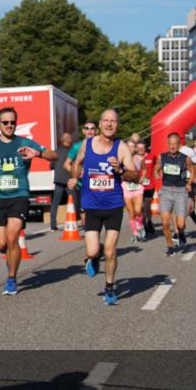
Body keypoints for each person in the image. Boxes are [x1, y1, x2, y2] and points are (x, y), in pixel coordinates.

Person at [0, 107, 57, 294]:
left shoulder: (25, 142)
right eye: (5, 122)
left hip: (18, 195)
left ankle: (11, 279)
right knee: (1, 244)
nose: (9, 125)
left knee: (13, 238)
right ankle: (11, 260)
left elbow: (54, 155)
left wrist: (37, 154)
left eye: (13, 122)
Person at [70, 109, 140, 305]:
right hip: (91, 206)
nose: (109, 124)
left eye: (113, 121)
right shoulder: (87, 143)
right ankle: (92, 258)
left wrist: (120, 170)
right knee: (93, 251)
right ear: (100, 124)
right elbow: (77, 162)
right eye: (106, 121)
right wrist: (74, 178)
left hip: (113, 206)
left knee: (110, 251)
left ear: (117, 125)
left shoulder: (122, 148)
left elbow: (135, 175)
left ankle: (109, 288)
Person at [154, 132, 195, 256]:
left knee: (180, 224)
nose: (172, 146)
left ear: (179, 145)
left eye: (175, 144)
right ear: (168, 144)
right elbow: (156, 168)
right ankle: (170, 246)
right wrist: (156, 173)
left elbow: (193, 171)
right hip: (166, 191)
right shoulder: (162, 157)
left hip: (180, 191)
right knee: (165, 222)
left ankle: (181, 233)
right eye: (170, 144)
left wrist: (189, 183)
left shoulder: (185, 158)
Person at [64, 121, 97, 221]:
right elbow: (66, 164)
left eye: (92, 128)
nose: (89, 131)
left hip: (97, 183)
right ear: (83, 131)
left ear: (96, 131)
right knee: (84, 210)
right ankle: (88, 232)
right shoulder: (77, 147)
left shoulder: (100, 146)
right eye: (87, 128)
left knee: (96, 211)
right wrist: (77, 174)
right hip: (82, 184)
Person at [122, 139, 145, 242]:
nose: (130, 148)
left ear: (135, 148)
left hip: (137, 187)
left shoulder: (139, 159)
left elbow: (144, 169)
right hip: (126, 187)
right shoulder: (121, 158)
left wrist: (142, 178)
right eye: (128, 146)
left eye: (132, 146)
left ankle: (140, 225)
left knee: (138, 210)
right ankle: (135, 233)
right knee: (131, 212)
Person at [50, 132, 74, 232]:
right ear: (68, 140)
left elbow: (51, 166)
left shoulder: (56, 151)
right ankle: (74, 221)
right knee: (73, 201)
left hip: (58, 179)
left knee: (55, 202)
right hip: (69, 179)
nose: (71, 139)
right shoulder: (72, 151)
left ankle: (53, 225)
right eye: (70, 137)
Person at [137, 141, 156, 236]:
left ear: (145, 148)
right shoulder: (134, 158)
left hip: (149, 185)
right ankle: (144, 225)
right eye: (138, 147)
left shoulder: (151, 156)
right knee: (141, 207)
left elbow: (157, 165)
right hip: (137, 186)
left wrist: (156, 173)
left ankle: (149, 221)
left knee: (147, 206)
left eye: (142, 147)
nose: (140, 149)